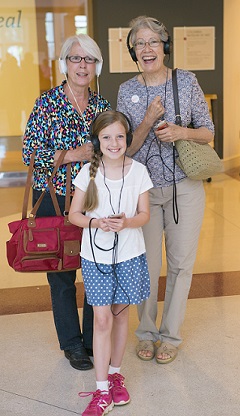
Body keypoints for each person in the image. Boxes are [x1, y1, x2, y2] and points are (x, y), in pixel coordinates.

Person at [117, 16, 215, 364]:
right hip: (142, 192)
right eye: (140, 43)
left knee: (180, 265)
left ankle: (170, 335)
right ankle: (145, 332)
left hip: (184, 188)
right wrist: (146, 122)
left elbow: (208, 131)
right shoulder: (127, 91)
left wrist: (181, 132)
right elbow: (124, 149)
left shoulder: (186, 82)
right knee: (145, 265)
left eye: (153, 42)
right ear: (133, 51)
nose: (147, 49)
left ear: (164, 46)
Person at [22, 34, 111, 371]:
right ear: (66, 63)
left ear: (96, 65)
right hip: (54, 199)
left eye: (88, 59)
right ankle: (72, 344)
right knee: (61, 274)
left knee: (95, 270)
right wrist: (74, 154)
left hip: (95, 200)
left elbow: (114, 147)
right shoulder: (47, 103)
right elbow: (29, 154)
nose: (82, 65)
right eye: (76, 58)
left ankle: (92, 338)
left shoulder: (103, 106)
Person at [69, 110, 153, 416]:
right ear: (97, 141)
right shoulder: (88, 173)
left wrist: (127, 222)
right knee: (101, 319)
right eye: (106, 137)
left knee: (119, 317)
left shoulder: (139, 171)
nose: (114, 143)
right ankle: (102, 389)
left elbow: (144, 215)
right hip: (96, 258)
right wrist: (96, 223)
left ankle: (116, 374)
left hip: (129, 255)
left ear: (127, 139)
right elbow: (73, 215)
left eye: (119, 136)